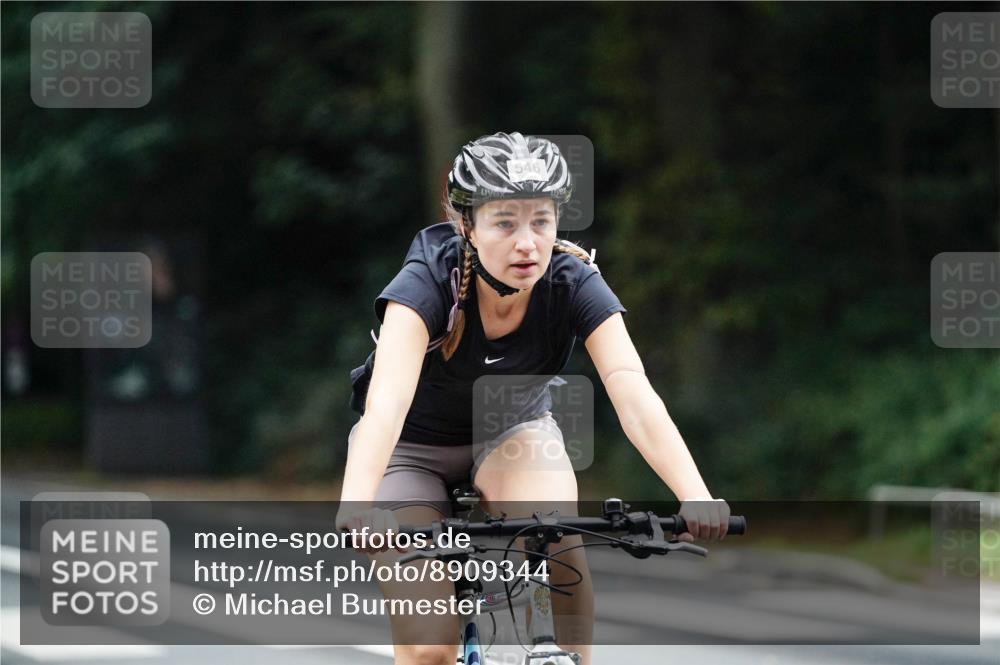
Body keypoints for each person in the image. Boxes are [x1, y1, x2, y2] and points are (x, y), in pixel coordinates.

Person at [336, 132, 729, 665]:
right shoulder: (427, 282)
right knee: (429, 647)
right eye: (505, 223)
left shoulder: (572, 280)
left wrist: (694, 492)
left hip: (512, 435)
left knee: (554, 533)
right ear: (467, 226)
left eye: (541, 221)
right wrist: (357, 505)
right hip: (411, 451)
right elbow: (386, 406)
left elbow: (631, 390)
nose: (528, 243)